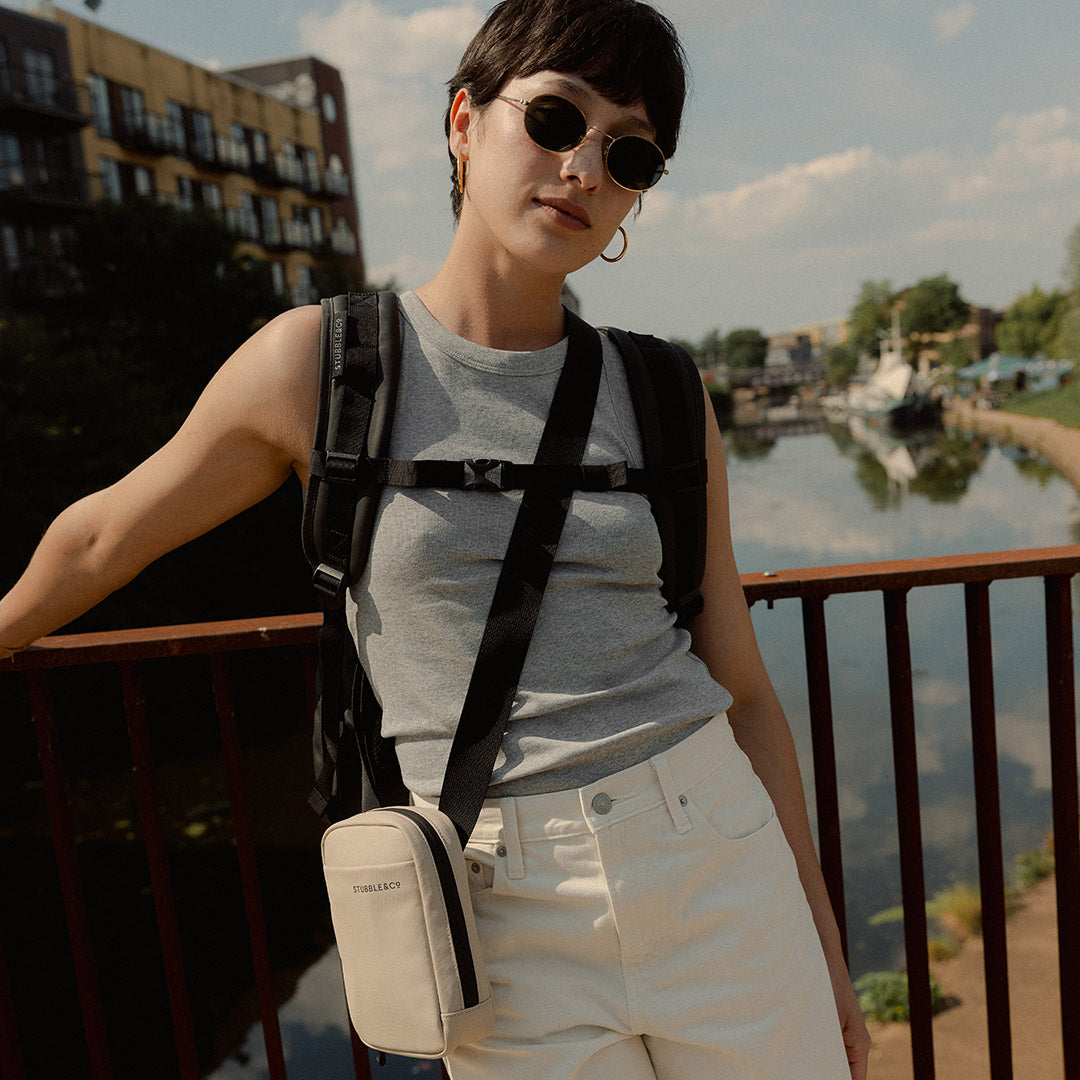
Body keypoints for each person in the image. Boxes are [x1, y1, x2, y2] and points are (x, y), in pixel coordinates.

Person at [0, 0, 871, 1076]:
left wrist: (824, 943)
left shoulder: (660, 389)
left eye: (629, 150)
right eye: (554, 119)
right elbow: (100, 539)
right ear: (465, 121)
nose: (584, 168)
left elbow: (739, 687)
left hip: (719, 868)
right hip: (498, 913)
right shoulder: (323, 367)